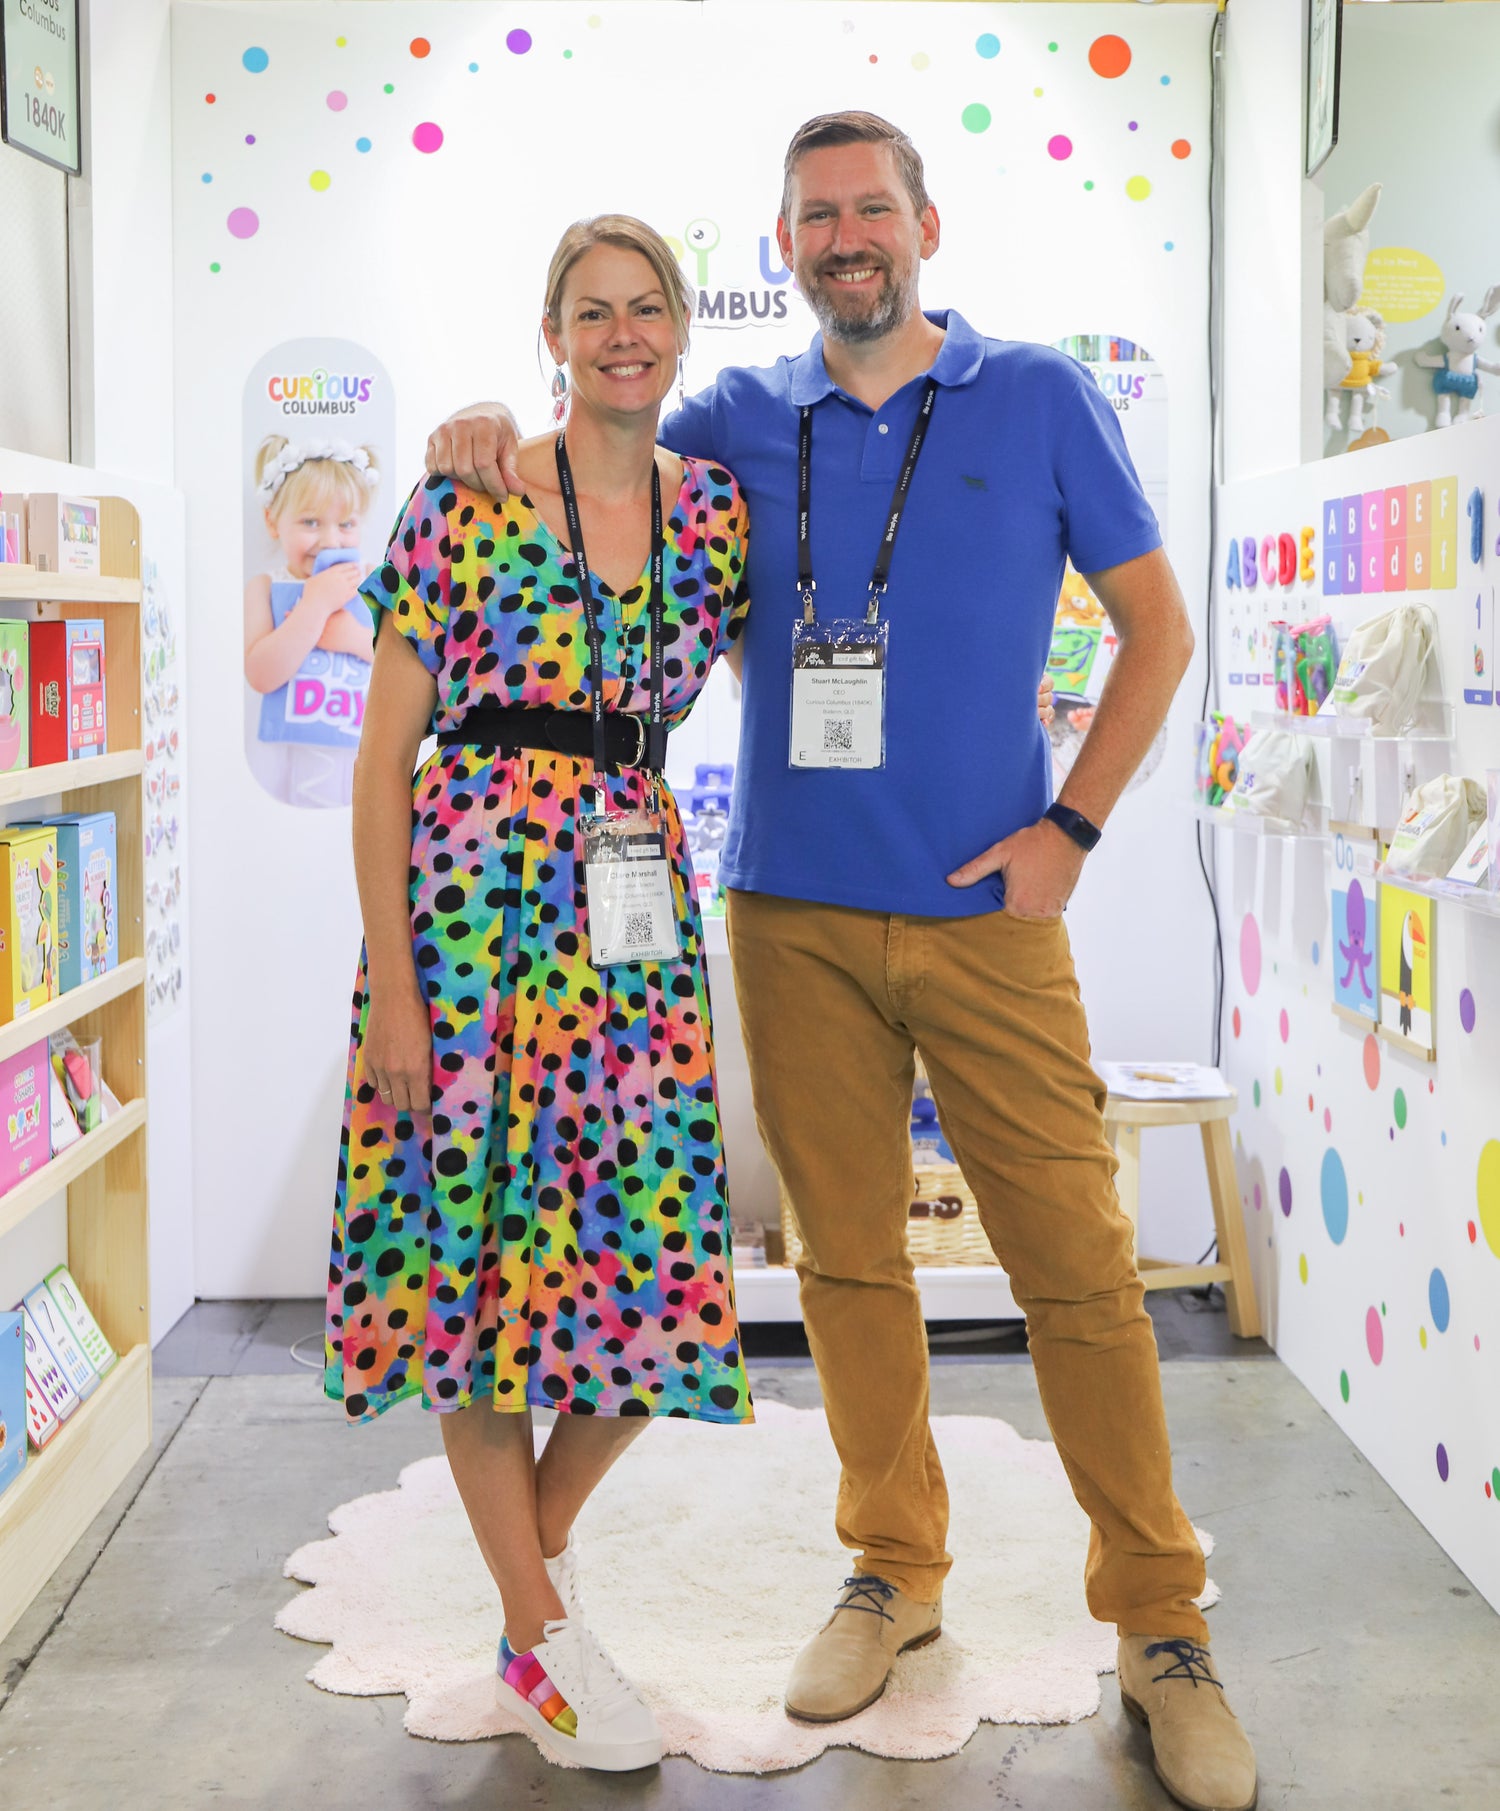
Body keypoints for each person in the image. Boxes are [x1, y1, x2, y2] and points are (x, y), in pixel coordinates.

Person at [427, 112, 1260, 1811]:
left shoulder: (1038, 396)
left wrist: (1074, 827)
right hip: (789, 913)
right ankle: (893, 1567)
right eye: (817, 215)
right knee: (850, 1269)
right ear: (786, 245)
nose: (846, 235)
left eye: (871, 206)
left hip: (992, 916)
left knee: (1080, 1270)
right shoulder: (740, 416)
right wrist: (482, 430)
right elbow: (601, 446)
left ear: (924, 225)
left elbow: (1159, 628)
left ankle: (1161, 1622)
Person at [323, 215, 756, 1774]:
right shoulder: (468, 495)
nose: (622, 332)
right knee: (472, 1274)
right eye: (592, 309)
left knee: (657, 1265)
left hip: (630, 935)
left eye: (646, 307)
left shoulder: (717, 514)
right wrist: (394, 992)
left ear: (682, 328)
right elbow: (381, 761)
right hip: (469, 927)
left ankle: (534, 1561)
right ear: (553, 333)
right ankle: (537, 1632)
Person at [243, 437, 379, 809]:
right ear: (272, 521)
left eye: (346, 524)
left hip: (356, 756)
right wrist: (314, 607)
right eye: (311, 522)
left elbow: (401, 664)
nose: (330, 540)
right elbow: (260, 675)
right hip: (282, 757)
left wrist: (355, 638)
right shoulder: (265, 587)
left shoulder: (373, 579)